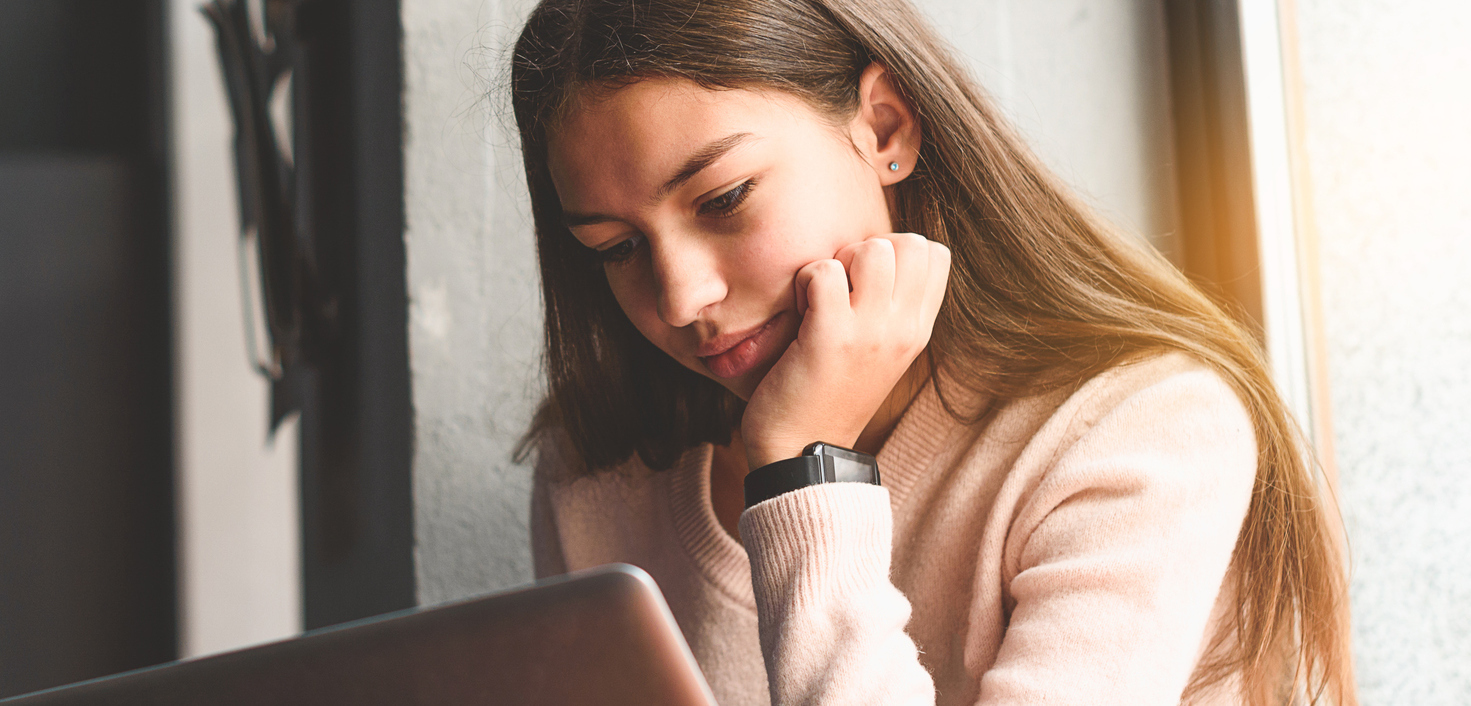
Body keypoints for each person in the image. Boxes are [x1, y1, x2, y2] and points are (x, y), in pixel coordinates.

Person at [509, 0, 1355, 704]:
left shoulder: (1139, 429)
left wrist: (804, 469)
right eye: (616, 248)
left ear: (884, 128)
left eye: (723, 199)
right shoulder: (600, 472)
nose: (680, 297)